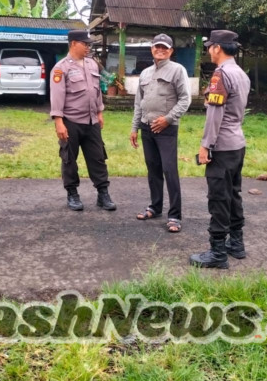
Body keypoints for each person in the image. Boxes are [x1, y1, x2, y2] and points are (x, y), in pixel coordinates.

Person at [190, 29, 251, 269]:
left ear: (217, 48)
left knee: (218, 197)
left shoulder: (221, 75)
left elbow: (215, 115)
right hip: (237, 144)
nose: (208, 51)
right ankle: (236, 244)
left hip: (222, 147)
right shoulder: (241, 74)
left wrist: (205, 145)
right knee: (233, 194)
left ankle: (217, 253)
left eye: (209, 47)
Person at [49, 29, 116, 212]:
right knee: (69, 160)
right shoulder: (61, 68)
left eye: (89, 44)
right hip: (71, 121)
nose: (88, 47)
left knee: (98, 158)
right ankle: (72, 194)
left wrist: (100, 112)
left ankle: (103, 194)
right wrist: (58, 122)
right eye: (84, 44)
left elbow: (97, 90)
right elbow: (57, 96)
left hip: (92, 121)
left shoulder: (92, 64)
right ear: (73, 44)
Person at [130, 33, 191, 233]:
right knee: (153, 169)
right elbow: (139, 103)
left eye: (165, 47)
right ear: (152, 49)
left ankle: (175, 216)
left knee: (169, 170)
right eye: (157, 46)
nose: (160, 50)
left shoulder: (177, 70)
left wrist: (168, 119)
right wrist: (135, 127)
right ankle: (155, 207)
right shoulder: (145, 73)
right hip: (147, 127)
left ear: (171, 51)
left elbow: (185, 99)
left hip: (166, 129)